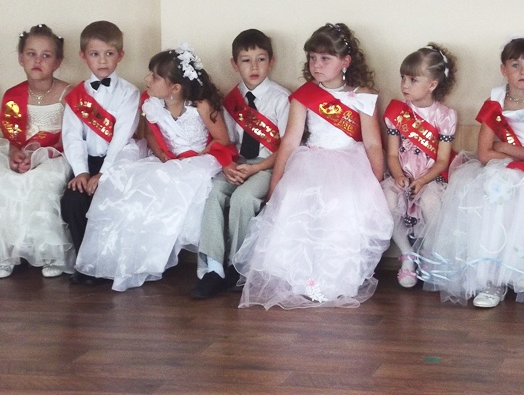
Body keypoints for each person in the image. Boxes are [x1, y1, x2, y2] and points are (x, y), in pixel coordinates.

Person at [233, 23, 393, 309]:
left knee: (340, 205)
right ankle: (296, 277)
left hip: (349, 163)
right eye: (312, 58)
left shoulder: (363, 95)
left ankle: (334, 278)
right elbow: (290, 142)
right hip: (310, 161)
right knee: (295, 198)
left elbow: (372, 144)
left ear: (345, 61)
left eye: (325, 59)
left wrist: (376, 183)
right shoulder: (304, 95)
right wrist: (275, 185)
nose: (316, 64)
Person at [415, 35, 524, 309]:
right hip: (497, 167)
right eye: (515, 65)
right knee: (492, 188)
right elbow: (485, 154)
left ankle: (522, 270)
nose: (523, 72)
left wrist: (506, 147)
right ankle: (490, 279)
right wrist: (522, 151)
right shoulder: (496, 100)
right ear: (503, 69)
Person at [75, 45, 237, 291]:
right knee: (131, 186)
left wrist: (199, 156)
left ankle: (207, 266)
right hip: (167, 158)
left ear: (175, 88)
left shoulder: (201, 106)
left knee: (179, 188)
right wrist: (161, 153)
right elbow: (150, 133)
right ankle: (125, 260)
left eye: (155, 76)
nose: (147, 79)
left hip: (199, 159)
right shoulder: (151, 103)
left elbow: (222, 139)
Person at [191, 29, 290, 299]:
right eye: (246, 61)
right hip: (239, 164)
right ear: (234, 64)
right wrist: (228, 166)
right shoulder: (230, 100)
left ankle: (238, 266)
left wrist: (256, 168)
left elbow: (287, 147)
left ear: (271, 62)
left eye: (261, 59)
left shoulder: (281, 99)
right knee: (212, 192)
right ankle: (213, 269)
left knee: (243, 199)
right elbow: (227, 141)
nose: (254, 67)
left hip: (268, 166)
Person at [60, 21, 140, 285]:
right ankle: (85, 263)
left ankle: (108, 262)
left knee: (107, 201)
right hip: (86, 163)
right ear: (83, 56)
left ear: (120, 55)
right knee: (73, 200)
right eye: (95, 54)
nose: (102, 60)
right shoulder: (76, 96)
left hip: (117, 163)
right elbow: (72, 137)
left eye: (109, 53)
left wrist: (103, 174)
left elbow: (121, 137)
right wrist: (82, 172)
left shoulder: (129, 93)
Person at [0, 24, 74, 278]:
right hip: (22, 154)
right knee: (5, 182)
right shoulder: (13, 95)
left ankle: (50, 253)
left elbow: (73, 137)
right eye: (31, 54)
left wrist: (41, 156)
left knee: (42, 182)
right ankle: (6, 254)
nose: (37, 60)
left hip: (55, 155)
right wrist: (15, 155)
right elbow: (12, 137)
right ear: (21, 58)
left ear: (58, 62)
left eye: (46, 55)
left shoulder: (68, 94)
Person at [381, 44, 457, 288]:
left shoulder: (445, 116)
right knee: (388, 201)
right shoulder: (397, 112)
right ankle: (407, 254)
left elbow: (443, 160)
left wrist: (423, 180)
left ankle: (428, 253)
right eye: (403, 78)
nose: (405, 85)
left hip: (430, 178)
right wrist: (397, 175)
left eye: (413, 80)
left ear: (432, 84)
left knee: (431, 202)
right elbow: (392, 154)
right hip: (402, 174)